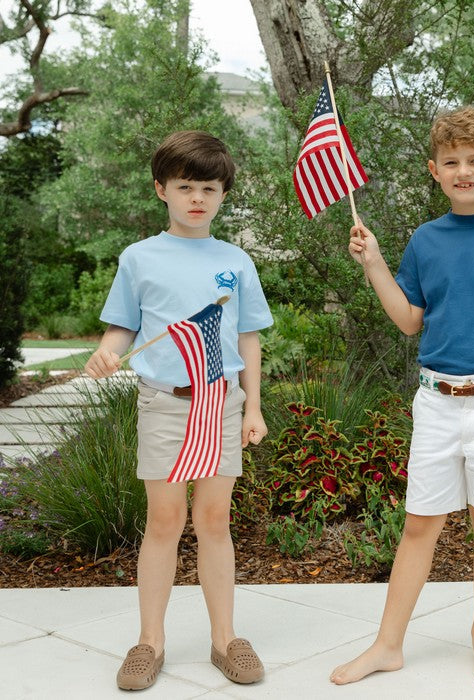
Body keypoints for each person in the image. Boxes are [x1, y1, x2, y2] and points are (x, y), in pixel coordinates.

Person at [330, 106, 474, 685]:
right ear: (433, 170)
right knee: (420, 524)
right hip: (437, 402)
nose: (465, 171)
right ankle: (388, 644)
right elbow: (411, 321)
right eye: (453, 162)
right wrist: (376, 264)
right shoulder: (426, 240)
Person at [84, 131, 273, 691]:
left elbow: (249, 339)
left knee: (214, 521)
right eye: (185, 186)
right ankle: (149, 643)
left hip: (221, 403)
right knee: (165, 521)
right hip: (165, 404)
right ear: (161, 189)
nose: (197, 197)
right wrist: (108, 352)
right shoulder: (139, 257)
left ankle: (225, 641)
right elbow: (123, 326)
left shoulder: (235, 261)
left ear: (222, 195)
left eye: (209, 188)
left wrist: (253, 407)